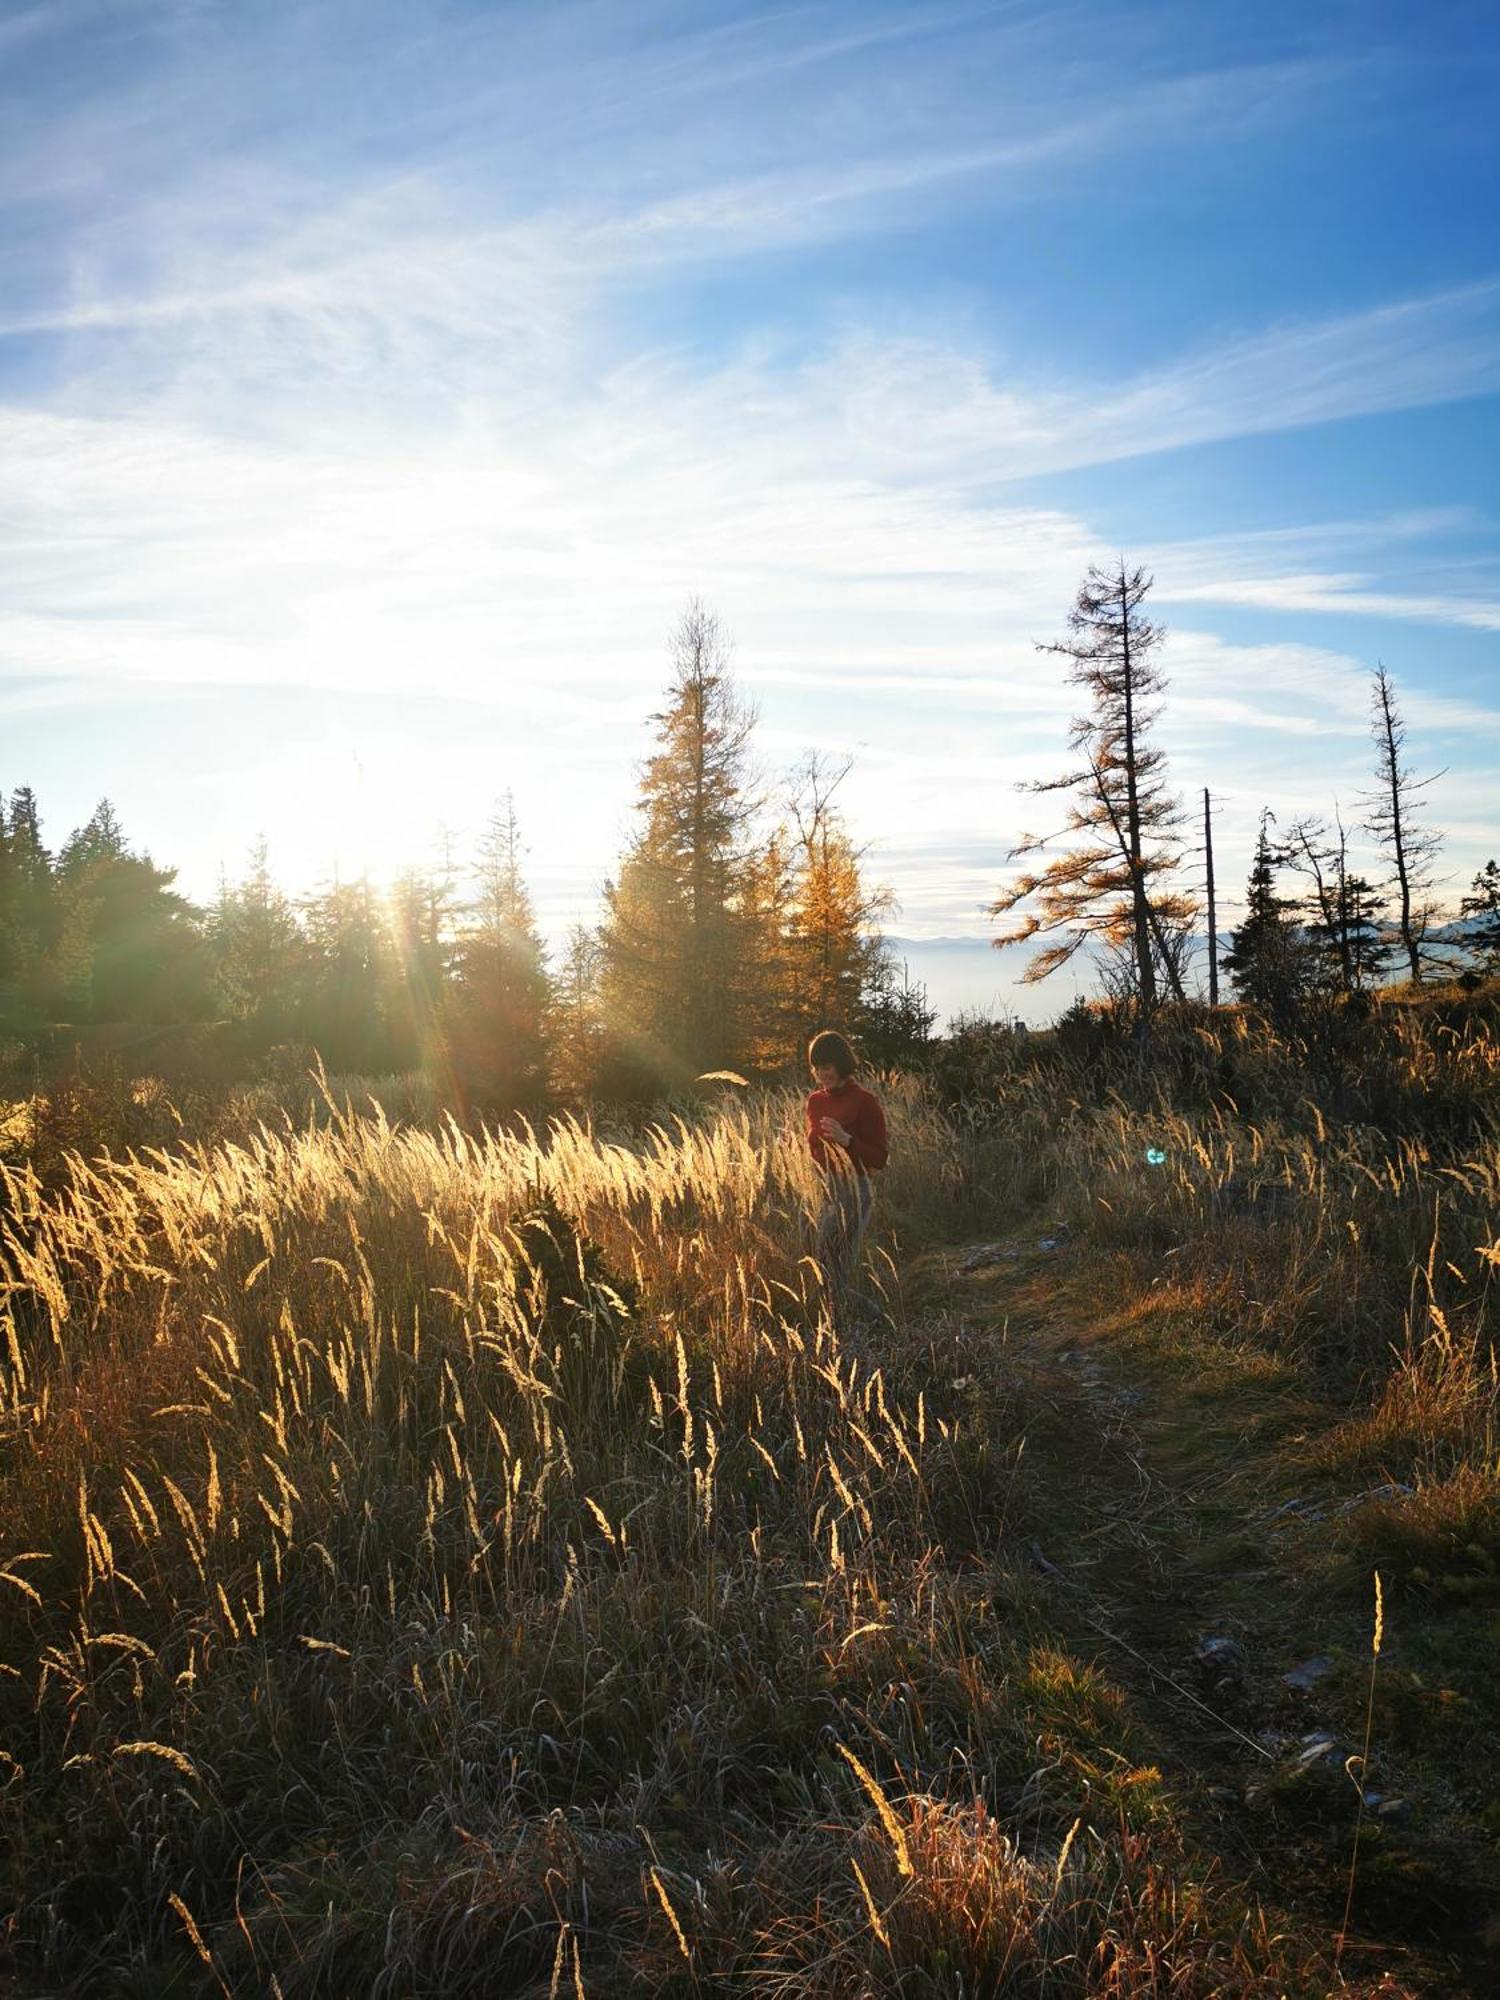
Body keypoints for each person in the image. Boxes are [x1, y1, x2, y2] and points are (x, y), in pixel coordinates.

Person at [804, 1029, 888, 1324]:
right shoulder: (815, 1101)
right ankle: (853, 1322)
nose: (821, 1073)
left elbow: (880, 1158)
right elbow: (815, 1145)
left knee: (834, 1265)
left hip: (855, 1190)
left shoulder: (865, 1101)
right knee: (822, 1263)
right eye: (816, 1067)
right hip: (827, 1188)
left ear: (841, 1064)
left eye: (827, 1066)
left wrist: (847, 1141)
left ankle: (866, 1320)